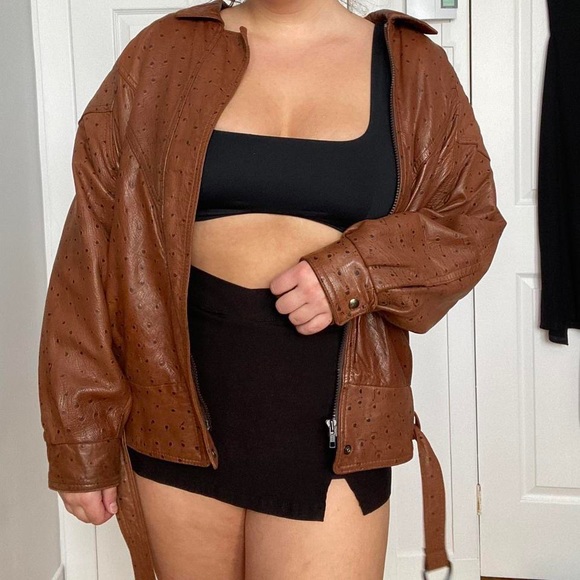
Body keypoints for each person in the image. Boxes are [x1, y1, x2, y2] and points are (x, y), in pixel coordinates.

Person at [37, 0, 506, 578]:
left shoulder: (411, 66)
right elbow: (91, 246)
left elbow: (470, 223)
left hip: (336, 422)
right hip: (174, 415)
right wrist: (80, 440)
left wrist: (353, 273)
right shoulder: (163, 52)